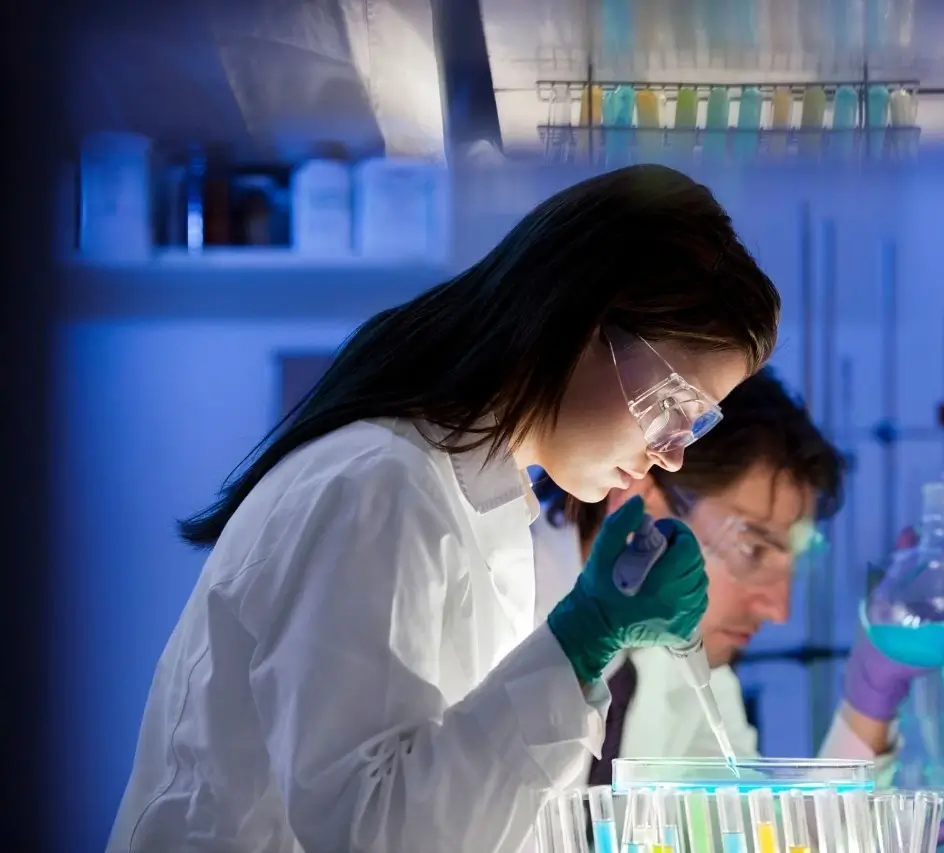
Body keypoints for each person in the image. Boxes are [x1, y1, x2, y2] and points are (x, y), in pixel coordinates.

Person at [108, 164, 782, 853]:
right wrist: (582, 641)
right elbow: (371, 830)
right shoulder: (379, 486)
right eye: (672, 405)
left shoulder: (479, 502)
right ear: (584, 324)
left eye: (693, 424)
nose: (672, 454)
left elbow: (462, 809)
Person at [533, 367, 944, 844]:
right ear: (643, 502)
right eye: (753, 549)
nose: (779, 611)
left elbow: (767, 835)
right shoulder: (485, 603)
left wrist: (868, 701)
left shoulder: (687, 677)